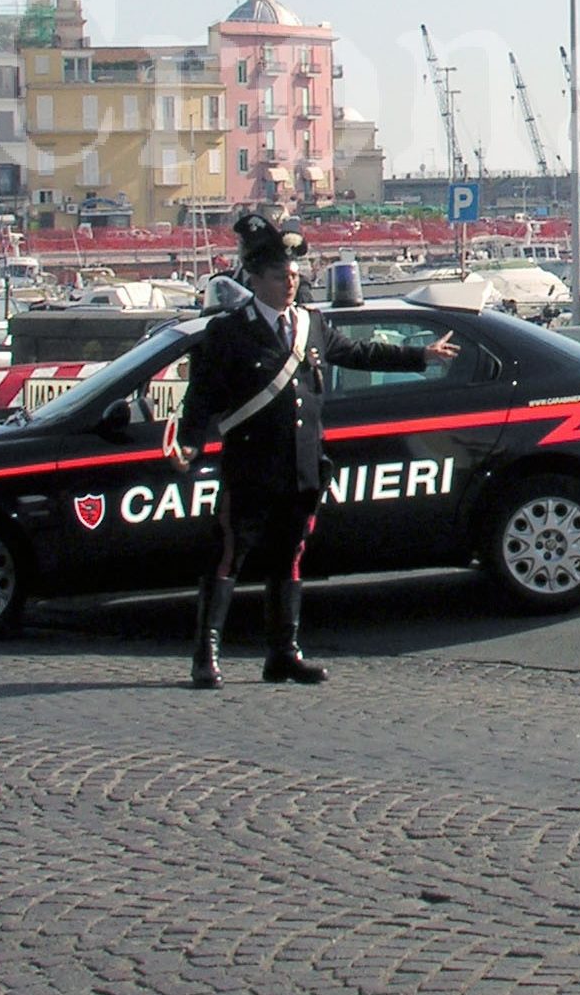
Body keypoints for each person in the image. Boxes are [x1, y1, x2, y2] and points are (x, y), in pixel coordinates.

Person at [174, 214, 459, 689]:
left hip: (301, 466)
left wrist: (419, 357)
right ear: (255, 279)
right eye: (279, 276)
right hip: (250, 467)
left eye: (293, 276)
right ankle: (206, 656)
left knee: (289, 559)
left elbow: (359, 353)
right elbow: (200, 399)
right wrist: (188, 442)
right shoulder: (228, 334)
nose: (290, 284)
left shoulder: (312, 325)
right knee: (228, 558)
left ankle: (283, 653)